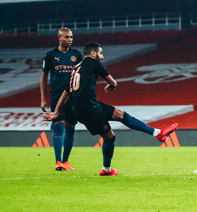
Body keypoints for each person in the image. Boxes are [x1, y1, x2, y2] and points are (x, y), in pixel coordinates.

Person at [48, 42, 178, 175]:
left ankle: (157, 133)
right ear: (93, 54)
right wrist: (112, 85)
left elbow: (66, 92)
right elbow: (113, 82)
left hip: (84, 106)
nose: (102, 57)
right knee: (110, 138)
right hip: (89, 108)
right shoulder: (93, 62)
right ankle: (107, 170)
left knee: (122, 115)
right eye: (101, 53)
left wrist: (56, 112)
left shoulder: (76, 67)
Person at [40, 27, 81, 171]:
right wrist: (43, 98)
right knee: (58, 126)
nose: (69, 40)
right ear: (59, 38)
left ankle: (66, 161)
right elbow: (44, 76)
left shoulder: (77, 55)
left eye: (71, 37)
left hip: (73, 97)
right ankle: (58, 161)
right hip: (56, 95)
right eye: (66, 37)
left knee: (70, 128)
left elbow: (82, 76)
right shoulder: (51, 56)